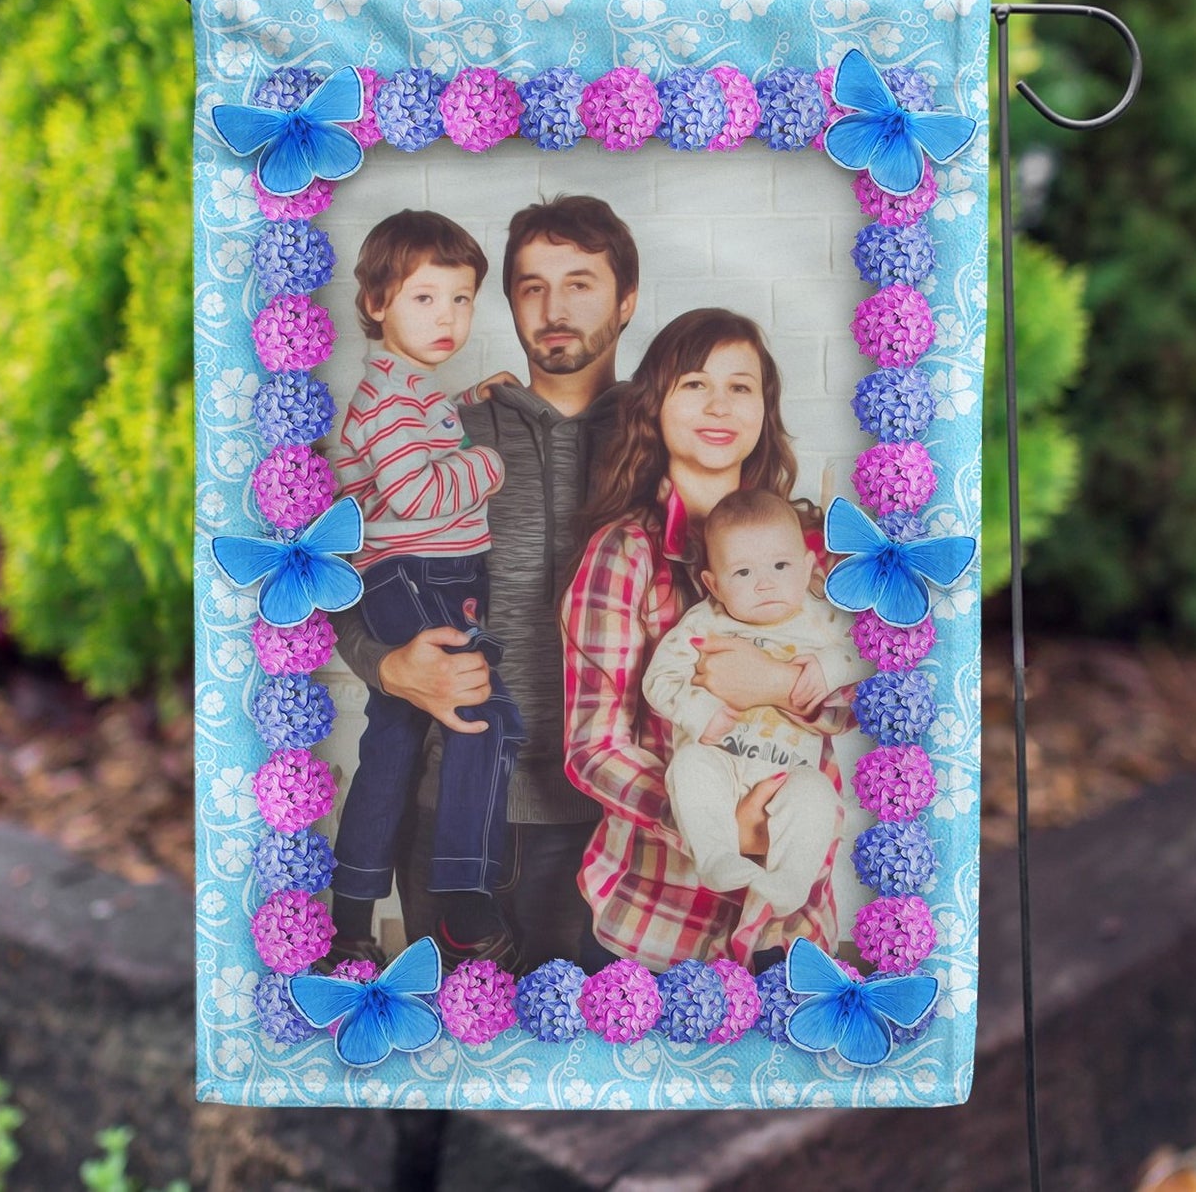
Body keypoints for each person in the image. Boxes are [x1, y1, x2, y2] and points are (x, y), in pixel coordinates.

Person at [330, 195, 639, 971]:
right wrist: (387, 667)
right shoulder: (451, 429)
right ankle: (366, 914)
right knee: (446, 1046)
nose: (554, 307)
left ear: (626, 300)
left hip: (615, 821)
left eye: (579, 283)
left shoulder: (665, 429)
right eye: (532, 286)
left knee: (605, 1042)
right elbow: (342, 576)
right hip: (451, 812)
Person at [561, 308, 851, 971]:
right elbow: (593, 747)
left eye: (740, 386)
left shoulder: (807, 545)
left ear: (764, 408)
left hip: (791, 925)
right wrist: (718, 822)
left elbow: (863, 695)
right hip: (656, 917)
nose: (719, 405)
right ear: (655, 405)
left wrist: (776, 682)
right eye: (694, 384)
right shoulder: (624, 553)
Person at [328, 209, 523, 964]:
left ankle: (351, 916)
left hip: (415, 576)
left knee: (394, 744)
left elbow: (416, 440)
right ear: (377, 303)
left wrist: (466, 403)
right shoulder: (390, 400)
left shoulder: (407, 392)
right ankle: (463, 896)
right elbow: (414, 492)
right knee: (483, 716)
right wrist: (490, 463)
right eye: (424, 297)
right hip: (415, 576)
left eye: (461, 298)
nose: (447, 316)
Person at [642, 488, 865, 921]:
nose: (765, 583)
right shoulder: (704, 622)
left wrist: (830, 667)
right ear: (714, 584)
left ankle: (790, 881)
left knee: (817, 795)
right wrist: (699, 711)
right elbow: (659, 679)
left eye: (780, 566)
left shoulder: (822, 617)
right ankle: (717, 858)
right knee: (689, 768)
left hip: (789, 772)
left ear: (807, 567)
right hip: (720, 762)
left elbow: (871, 651)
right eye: (743, 572)